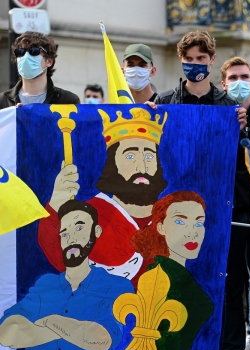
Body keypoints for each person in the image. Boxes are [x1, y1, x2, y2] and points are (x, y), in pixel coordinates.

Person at [0, 200, 133, 350]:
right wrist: (72, 331)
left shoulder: (116, 286)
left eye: (79, 227)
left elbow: (101, 341)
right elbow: (6, 332)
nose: (70, 237)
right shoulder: (45, 283)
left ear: (96, 232)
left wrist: (50, 321)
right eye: (64, 232)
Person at [37, 108, 168, 287]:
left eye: (148, 155)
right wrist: (56, 206)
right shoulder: (90, 215)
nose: (142, 165)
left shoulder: (171, 216)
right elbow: (63, 259)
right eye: (130, 155)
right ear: (112, 163)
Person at [129, 191, 217, 350]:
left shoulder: (197, 276)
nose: (192, 231)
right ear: (161, 227)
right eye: (180, 221)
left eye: (199, 222)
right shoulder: (156, 278)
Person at [218, 57, 250, 350]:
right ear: (224, 84)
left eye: (244, 76)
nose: (239, 82)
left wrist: (248, 129)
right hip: (229, 214)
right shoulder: (218, 113)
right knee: (231, 287)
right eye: (233, 77)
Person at [155, 30, 246, 132]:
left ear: (212, 59)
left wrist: (239, 130)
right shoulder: (164, 101)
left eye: (200, 58)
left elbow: (236, 146)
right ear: (180, 59)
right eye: (188, 58)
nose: (194, 63)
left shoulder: (229, 104)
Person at [0, 31, 79, 109]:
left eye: (34, 51)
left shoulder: (67, 101)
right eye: (20, 52)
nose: (26, 57)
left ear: (49, 61)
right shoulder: (2, 102)